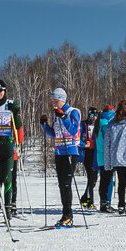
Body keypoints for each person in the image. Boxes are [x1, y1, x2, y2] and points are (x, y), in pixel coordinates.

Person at [39, 87, 81, 227]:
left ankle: (68, 215)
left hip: (70, 151)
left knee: (67, 183)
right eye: (52, 100)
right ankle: (65, 214)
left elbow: (74, 130)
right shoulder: (56, 114)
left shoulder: (72, 111)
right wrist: (45, 126)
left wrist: (64, 117)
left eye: (55, 100)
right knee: (62, 184)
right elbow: (55, 134)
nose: (53, 103)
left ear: (62, 100)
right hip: (59, 152)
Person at [0, 79, 22, 220]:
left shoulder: (11, 104)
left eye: (1, 90)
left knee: (7, 179)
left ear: (5, 91)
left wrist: (15, 113)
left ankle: (7, 208)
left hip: (7, 145)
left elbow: (18, 126)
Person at [94, 106, 117, 211]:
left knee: (104, 180)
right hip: (106, 156)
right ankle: (105, 203)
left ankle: (104, 203)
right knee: (106, 181)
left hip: (101, 156)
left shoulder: (100, 123)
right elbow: (109, 140)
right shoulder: (105, 125)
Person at [79, 107, 100, 209]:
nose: (94, 118)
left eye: (96, 116)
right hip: (87, 153)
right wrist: (84, 145)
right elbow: (77, 138)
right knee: (91, 177)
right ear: (88, 115)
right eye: (92, 115)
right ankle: (89, 201)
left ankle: (84, 198)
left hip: (96, 153)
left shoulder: (98, 125)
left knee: (94, 178)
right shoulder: (84, 124)